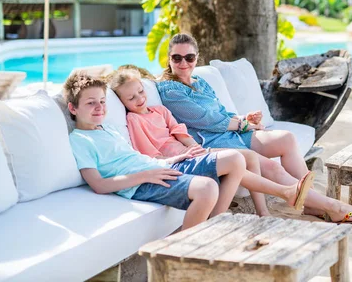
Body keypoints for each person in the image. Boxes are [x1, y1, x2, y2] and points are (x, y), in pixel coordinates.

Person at [157, 33, 352, 224]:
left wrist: (245, 119)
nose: (183, 63)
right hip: (213, 141)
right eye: (177, 57)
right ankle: (334, 207)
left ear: (196, 58)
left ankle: (311, 202)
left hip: (231, 132)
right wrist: (243, 124)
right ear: (169, 59)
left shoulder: (199, 82)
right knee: (272, 168)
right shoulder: (169, 89)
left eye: (189, 57)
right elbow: (207, 120)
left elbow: (222, 112)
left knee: (286, 139)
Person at [108, 68, 313, 216]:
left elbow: (179, 131)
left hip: (191, 152)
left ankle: (263, 211)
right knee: (236, 161)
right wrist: (182, 155)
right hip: (176, 160)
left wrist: (193, 147)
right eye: (131, 98)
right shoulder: (134, 120)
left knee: (249, 157)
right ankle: (276, 197)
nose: (139, 98)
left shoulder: (159, 110)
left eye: (141, 92)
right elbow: (150, 155)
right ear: (123, 102)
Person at [64, 71, 243, 230]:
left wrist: (176, 159)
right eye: (90, 103)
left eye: (102, 101)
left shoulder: (109, 129)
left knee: (235, 159)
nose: (99, 107)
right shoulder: (80, 139)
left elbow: (138, 158)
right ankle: (180, 251)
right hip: (140, 183)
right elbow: (99, 185)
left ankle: (212, 228)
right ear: (73, 108)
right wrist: (146, 176)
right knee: (207, 188)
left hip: (159, 167)